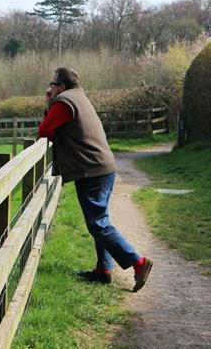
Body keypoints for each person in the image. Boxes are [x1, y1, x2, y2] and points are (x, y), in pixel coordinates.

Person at [38, 67, 152, 292]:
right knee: (100, 221)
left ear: (61, 86)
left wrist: (49, 103)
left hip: (92, 170)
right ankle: (103, 271)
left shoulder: (63, 102)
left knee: (98, 224)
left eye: (51, 84)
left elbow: (44, 130)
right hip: (101, 167)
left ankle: (138, 263)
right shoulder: (79, 97)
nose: (49, 88)